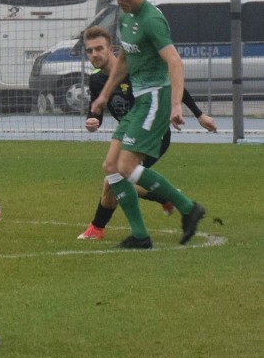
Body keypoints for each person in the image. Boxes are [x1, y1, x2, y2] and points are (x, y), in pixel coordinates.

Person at [90, 0, 207, 249]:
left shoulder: (152, 20)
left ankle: (187, 206)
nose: (120, 1)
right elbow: (125, 62)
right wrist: (105, 94)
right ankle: (140, 236)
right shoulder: (126, 18)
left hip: (155, 97)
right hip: (140, 101)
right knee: (111, 167)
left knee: (127, 167)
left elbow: (175, 62)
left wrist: (177, 105)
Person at [78, 26, 217, 240]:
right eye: (90, 51)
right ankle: (167, 197)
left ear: (111, 49)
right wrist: (92, 121)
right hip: (130, 132)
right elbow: (97, 110)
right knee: (117, 177)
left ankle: (99, 228)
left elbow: (171, 84)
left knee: (114, 177)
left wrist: (199, 115)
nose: (94, 54)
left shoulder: (135, 69)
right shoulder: (96, 79)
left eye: (99, 48)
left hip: (154, 132)